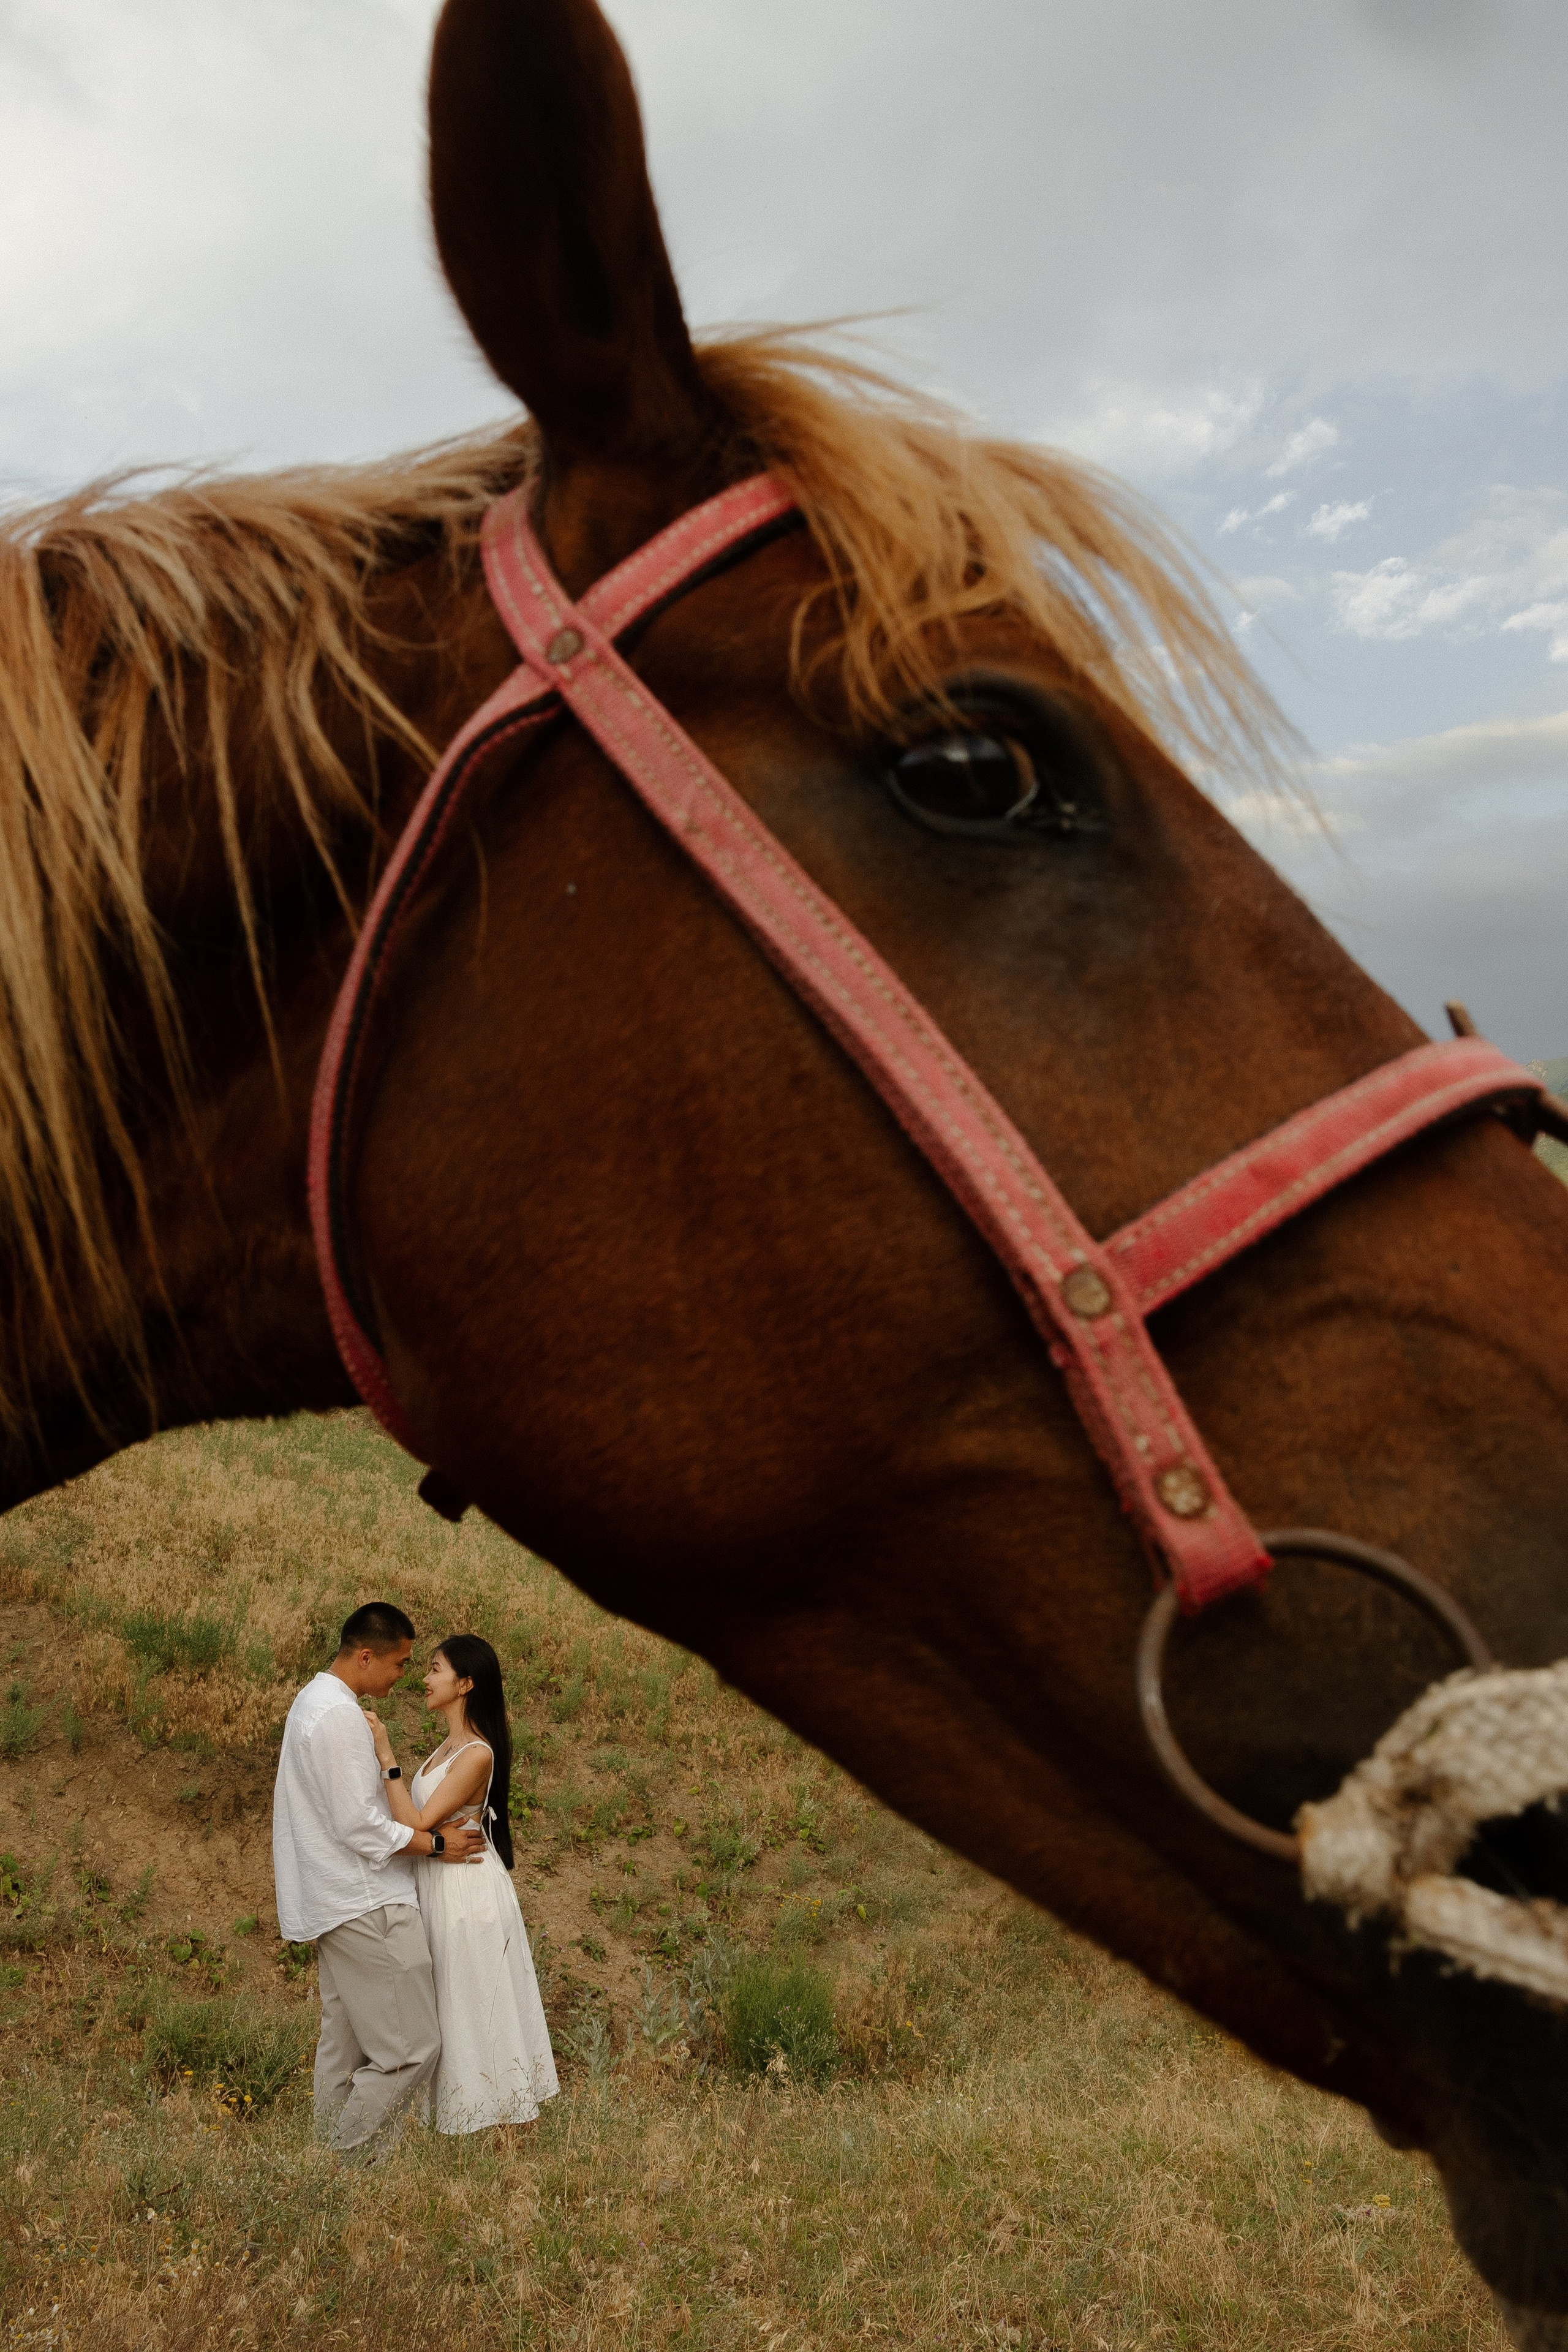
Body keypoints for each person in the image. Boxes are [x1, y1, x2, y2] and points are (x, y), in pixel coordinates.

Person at [271, 1601, 486, 2160]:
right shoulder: (339, 1716)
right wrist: (435, 1845)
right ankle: (344, 2165)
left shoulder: (309, 1703)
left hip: (335, 1902)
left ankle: (322, 2160)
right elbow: (359, 1825)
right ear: (366, 1656)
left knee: (342, 2048)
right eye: (399, 1664)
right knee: (411, 2049)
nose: (405, 1676)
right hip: (368, 1902)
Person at [369, 1632, 559, 2133]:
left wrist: (385, 1753)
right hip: (441, 1885)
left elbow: (417, 1823)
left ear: (466, 1683)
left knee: (476, 2004)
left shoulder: (476, 1753)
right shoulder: (445, 1749)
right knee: (452, 2005)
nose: (425, 1679)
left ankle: (503, 2130)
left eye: (435, 1669)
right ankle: (462, 2121)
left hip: (467, 1893)